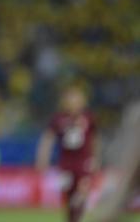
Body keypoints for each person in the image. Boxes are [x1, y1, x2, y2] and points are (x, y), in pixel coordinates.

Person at [36, 86, 100, 222]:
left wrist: (95, 158)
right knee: (69, 197)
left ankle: (78, 210)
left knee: (82, 191)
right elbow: (48, 139)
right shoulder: (59, 119)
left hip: (84, 161)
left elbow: (94, 138)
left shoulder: (88, 117)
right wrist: (43, 159)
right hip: (66, 164)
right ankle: (73, 217)